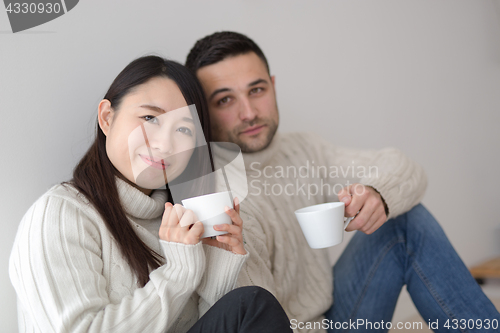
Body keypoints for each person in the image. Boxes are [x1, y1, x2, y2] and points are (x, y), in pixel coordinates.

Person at [185, 32, 500, 332]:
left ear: (274, 86)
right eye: (225, 100)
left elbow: (405, 167)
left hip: (334, 319)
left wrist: (377, 194)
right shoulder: (209, 193)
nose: (249, 113)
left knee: (404, 220)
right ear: (202, 112)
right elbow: (252, 315)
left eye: (257, 90)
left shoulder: (303, 148)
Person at [9, 55, 293, 333]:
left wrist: (218, 268)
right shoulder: (60, 214)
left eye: (183, 128)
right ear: (107, 118)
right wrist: (178, 275)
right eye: (150, 118)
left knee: (248, 304)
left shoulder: (184, 223)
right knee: (251, 304)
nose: (164, 144)